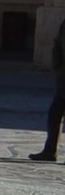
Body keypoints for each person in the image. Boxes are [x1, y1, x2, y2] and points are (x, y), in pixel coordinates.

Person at [32, 16, 65, 161]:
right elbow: (57, 43)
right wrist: (57, 65)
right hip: (64, 77)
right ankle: (50, 151)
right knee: (54, 114)